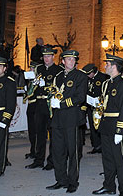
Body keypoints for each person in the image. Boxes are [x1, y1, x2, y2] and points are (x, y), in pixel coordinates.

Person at [45, 50, 88, 193]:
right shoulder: (58, 77)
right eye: (68, 59)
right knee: (58, 151)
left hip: (72, 119)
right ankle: (61, 180)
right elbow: (53, 92)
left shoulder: (81, 76)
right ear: (62, 61)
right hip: (57, 119)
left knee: (73, 152)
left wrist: (61, 104)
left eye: (73, 59)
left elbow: (80, 97)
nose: (71, 61)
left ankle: (72, 181)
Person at [90, 55, 123, 196]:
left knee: (119, 159)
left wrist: (120, 130)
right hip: (106, 125)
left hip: (116, 126)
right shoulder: (106, 84)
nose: (105, 66)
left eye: (107, 64)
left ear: (114, 66)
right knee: (107, 158)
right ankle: (109, 186)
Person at [25, 45, 62, 170]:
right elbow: (33, 86)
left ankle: (51, 161)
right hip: (39, 105)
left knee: (52, 135)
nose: (46, 59)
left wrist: (46, 86)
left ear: (53, 57)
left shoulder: (58, 70)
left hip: (51, 105)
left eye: (48, 56)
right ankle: (38, 159)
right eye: (45, 56)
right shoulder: (39, 68)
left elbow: (58, 88)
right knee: (39, 134)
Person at [84, 63, 109, 154]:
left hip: (100, 107)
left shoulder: (103, 77)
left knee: (101, 126)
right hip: (91, 106)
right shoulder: (88, 78)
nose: (88, 76)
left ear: (93, 72)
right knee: (92, 126)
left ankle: (103, 146)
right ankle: (96, 145)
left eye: (89, 73)